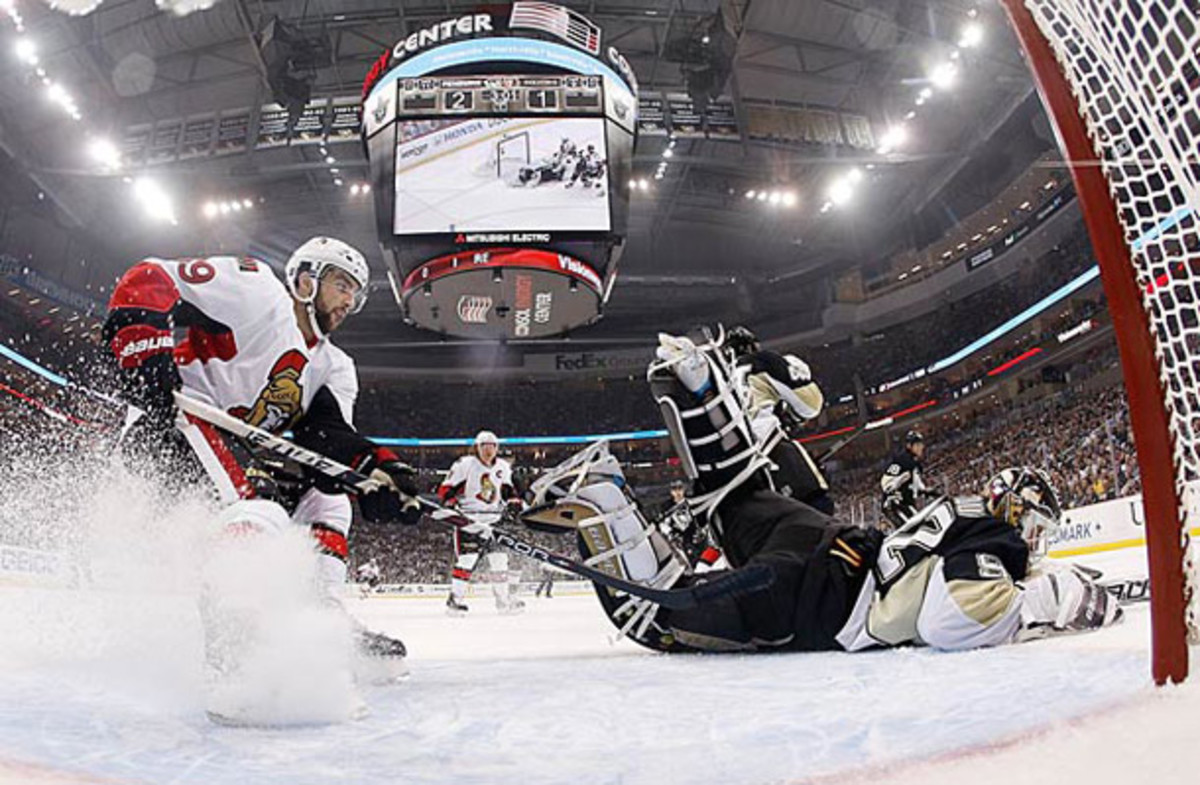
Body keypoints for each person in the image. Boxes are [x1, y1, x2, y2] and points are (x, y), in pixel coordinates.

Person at [523, 331, 1121, 655]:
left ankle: (695, 387)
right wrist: (1038, 604)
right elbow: (947, 619)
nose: (1037, 540)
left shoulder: (963, 510)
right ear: (1019, 512)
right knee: (660, 616)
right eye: (1037, 525)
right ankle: (602, 496)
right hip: (822, 592)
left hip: (819, 537)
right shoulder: (997, 544)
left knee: (732, 495)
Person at [102, 237, 420, 722]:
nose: (348, 301)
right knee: (258, 511)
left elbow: (326, 437)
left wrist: (377, 472)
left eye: (355, 293)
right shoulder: (256, 291)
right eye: (341, 284)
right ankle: (232, 659)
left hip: (231, 449)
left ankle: (322, 616)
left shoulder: (335, 366)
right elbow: (147, 278)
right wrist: (147, 354)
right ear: (305, 279)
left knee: (325, 499)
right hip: (168, 428)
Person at [723, 326, 835, 515]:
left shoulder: (719, 380)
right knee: (818, 513)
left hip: (734, 472)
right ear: (751, 347)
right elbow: (811, 404)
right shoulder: (762, 361)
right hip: (770, 448)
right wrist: (790, 415)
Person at [437, 430, 526, 615]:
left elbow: (509, 491)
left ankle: (503, 602)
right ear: (477, 448)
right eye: (484, 446)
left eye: (492, 446)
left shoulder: (502, 466)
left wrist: (514, 501)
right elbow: (446, 489)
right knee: (467, 560)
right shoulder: (465, 464)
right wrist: (449, 502)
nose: (489, 450)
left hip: (494, 521)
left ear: (497, 448)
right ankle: (454, 601)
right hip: (469, 520)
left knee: (500, 561)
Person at [880, 430, 930, 530]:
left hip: (906, 504)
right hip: (896, 504)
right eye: (917, 444)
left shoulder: (915, 464)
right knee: (913, 530)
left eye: (921, 444)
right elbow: (886, 481)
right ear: (909, 446)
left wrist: (927, 491)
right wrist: (894, 485)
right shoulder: (902, 460)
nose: (921, 447)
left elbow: (917, 485)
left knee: (921, 529)